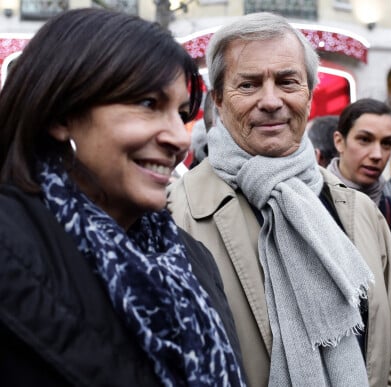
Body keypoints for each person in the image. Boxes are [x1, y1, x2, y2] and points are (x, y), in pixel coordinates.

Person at [168, 12, 391, 387]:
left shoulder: (357, 211)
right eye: (250, 84)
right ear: (220, 101)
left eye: (288, 81)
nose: (271, 100)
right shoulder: (176, 215)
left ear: (309, 94)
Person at [0, 9, 245, 387]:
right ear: (61, 114)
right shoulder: (11, 241)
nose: (180, 138)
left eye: (182, 114)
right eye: (148, 104)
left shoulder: (192, 259)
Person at [328, 98, 391, 251]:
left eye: (386, 143)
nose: (377, 155)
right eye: (365, 139)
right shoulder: (309, 202)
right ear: (339, 141)